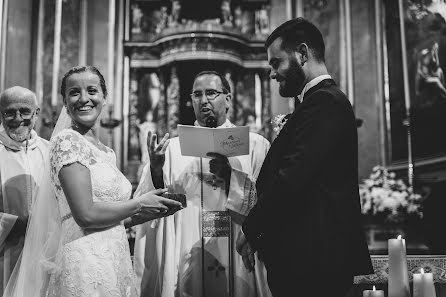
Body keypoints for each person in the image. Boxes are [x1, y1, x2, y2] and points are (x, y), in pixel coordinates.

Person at [3, 65, 183, 297]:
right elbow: (85, 215)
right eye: (74, 92)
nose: (84, 99)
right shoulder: (66, 141)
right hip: (85, 261)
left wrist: (152, 198)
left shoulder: (106, 152)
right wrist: (140, 203)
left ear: (104, 97)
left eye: (92, 90)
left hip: (113, 258)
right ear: (65, 102)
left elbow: (115, 217)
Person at [236, 18, 373, 297]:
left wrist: (251, 228)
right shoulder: (315, 103)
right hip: (307, 260)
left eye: (276, 63)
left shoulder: (325, 102)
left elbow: (291, 177)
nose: (272, 74)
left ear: (301, 54)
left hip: (314, 263)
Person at [134, 71, 272, 297]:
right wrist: (156, 170)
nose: (203, 100)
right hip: (187, 243)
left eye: (211, 93)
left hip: (238, 243)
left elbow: (269, 202)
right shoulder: (172, 149)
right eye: (197, 94)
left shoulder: (255, 146)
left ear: (227, 99)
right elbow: (149, 205)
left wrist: (231, 178)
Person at [0, 86, 48, 293]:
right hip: (6, 253)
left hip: (45, 254)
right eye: (9, 112)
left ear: (37, 113)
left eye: (25, 111)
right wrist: (13, 224)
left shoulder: (51, 151)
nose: (17, 118)